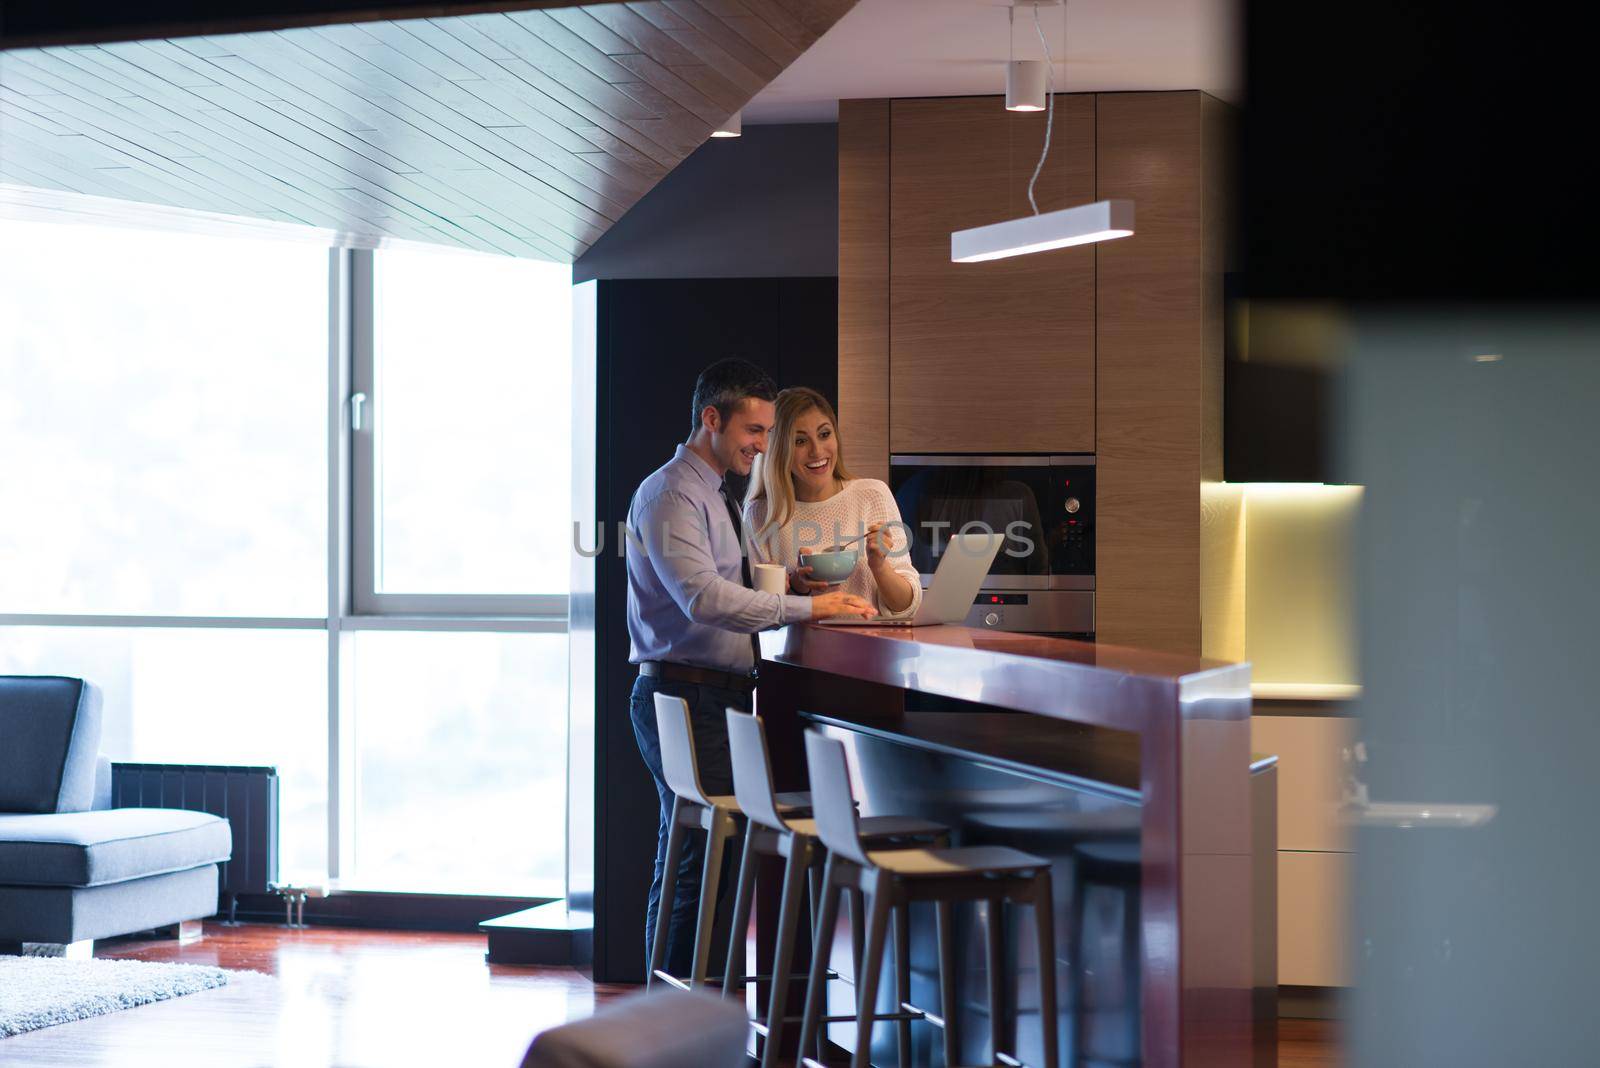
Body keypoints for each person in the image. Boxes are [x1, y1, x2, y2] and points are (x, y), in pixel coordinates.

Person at [625, 359, 875, 978]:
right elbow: (702, 598)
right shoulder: (672, 493)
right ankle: (685, 1029)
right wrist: (806, 605)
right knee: (700, 858)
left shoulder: (709, 494)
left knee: (695, 856)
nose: (762, 446)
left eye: (767, 434)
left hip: (709, 697)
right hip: (686, 696)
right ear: (712, 418)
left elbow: (721, 585)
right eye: (755, 431)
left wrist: (787, 580)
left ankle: (682, 1025)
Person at [745, 386, 922, 619]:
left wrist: (879, 566)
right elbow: (762, 614)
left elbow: (907, 606)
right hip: (797, 654)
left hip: (874, 651)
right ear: (779, 450)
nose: (817, 451)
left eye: (824, 434)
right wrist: (799, 585)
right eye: (799, 441)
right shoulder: (760, 514)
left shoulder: (873, 494)